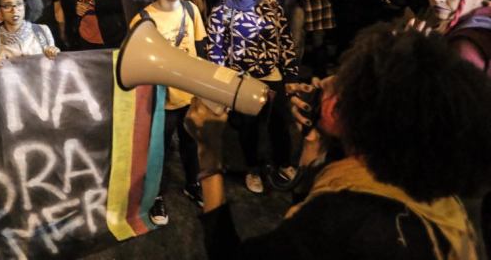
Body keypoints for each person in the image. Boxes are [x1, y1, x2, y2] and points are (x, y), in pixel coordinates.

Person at [188, 25, 491, 259]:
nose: (322, 81)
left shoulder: (343, 222)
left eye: (341, 77)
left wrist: (209, 153)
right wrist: (313, 149)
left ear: (338, 110)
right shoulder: (436, 195)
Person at [206, 0, 298, 195]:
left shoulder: (270, 4)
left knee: (280, 121)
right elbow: (216, 52)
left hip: (272, 74)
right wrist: (223, 87)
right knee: (249, 127)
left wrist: (290, 73)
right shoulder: (222, 12)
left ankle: (285, 162)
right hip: (242, 79)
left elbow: (285, 39)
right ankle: (253, 168)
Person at [131, 0, 207, 225]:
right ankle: (156, 196)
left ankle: (192, 184)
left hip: (189, 95)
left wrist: (204, 89)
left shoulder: (191, 9)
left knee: (191, 144)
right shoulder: (142, 20)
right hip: (160, 102)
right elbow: (135, 63)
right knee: (157, 151)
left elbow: (201, 51)